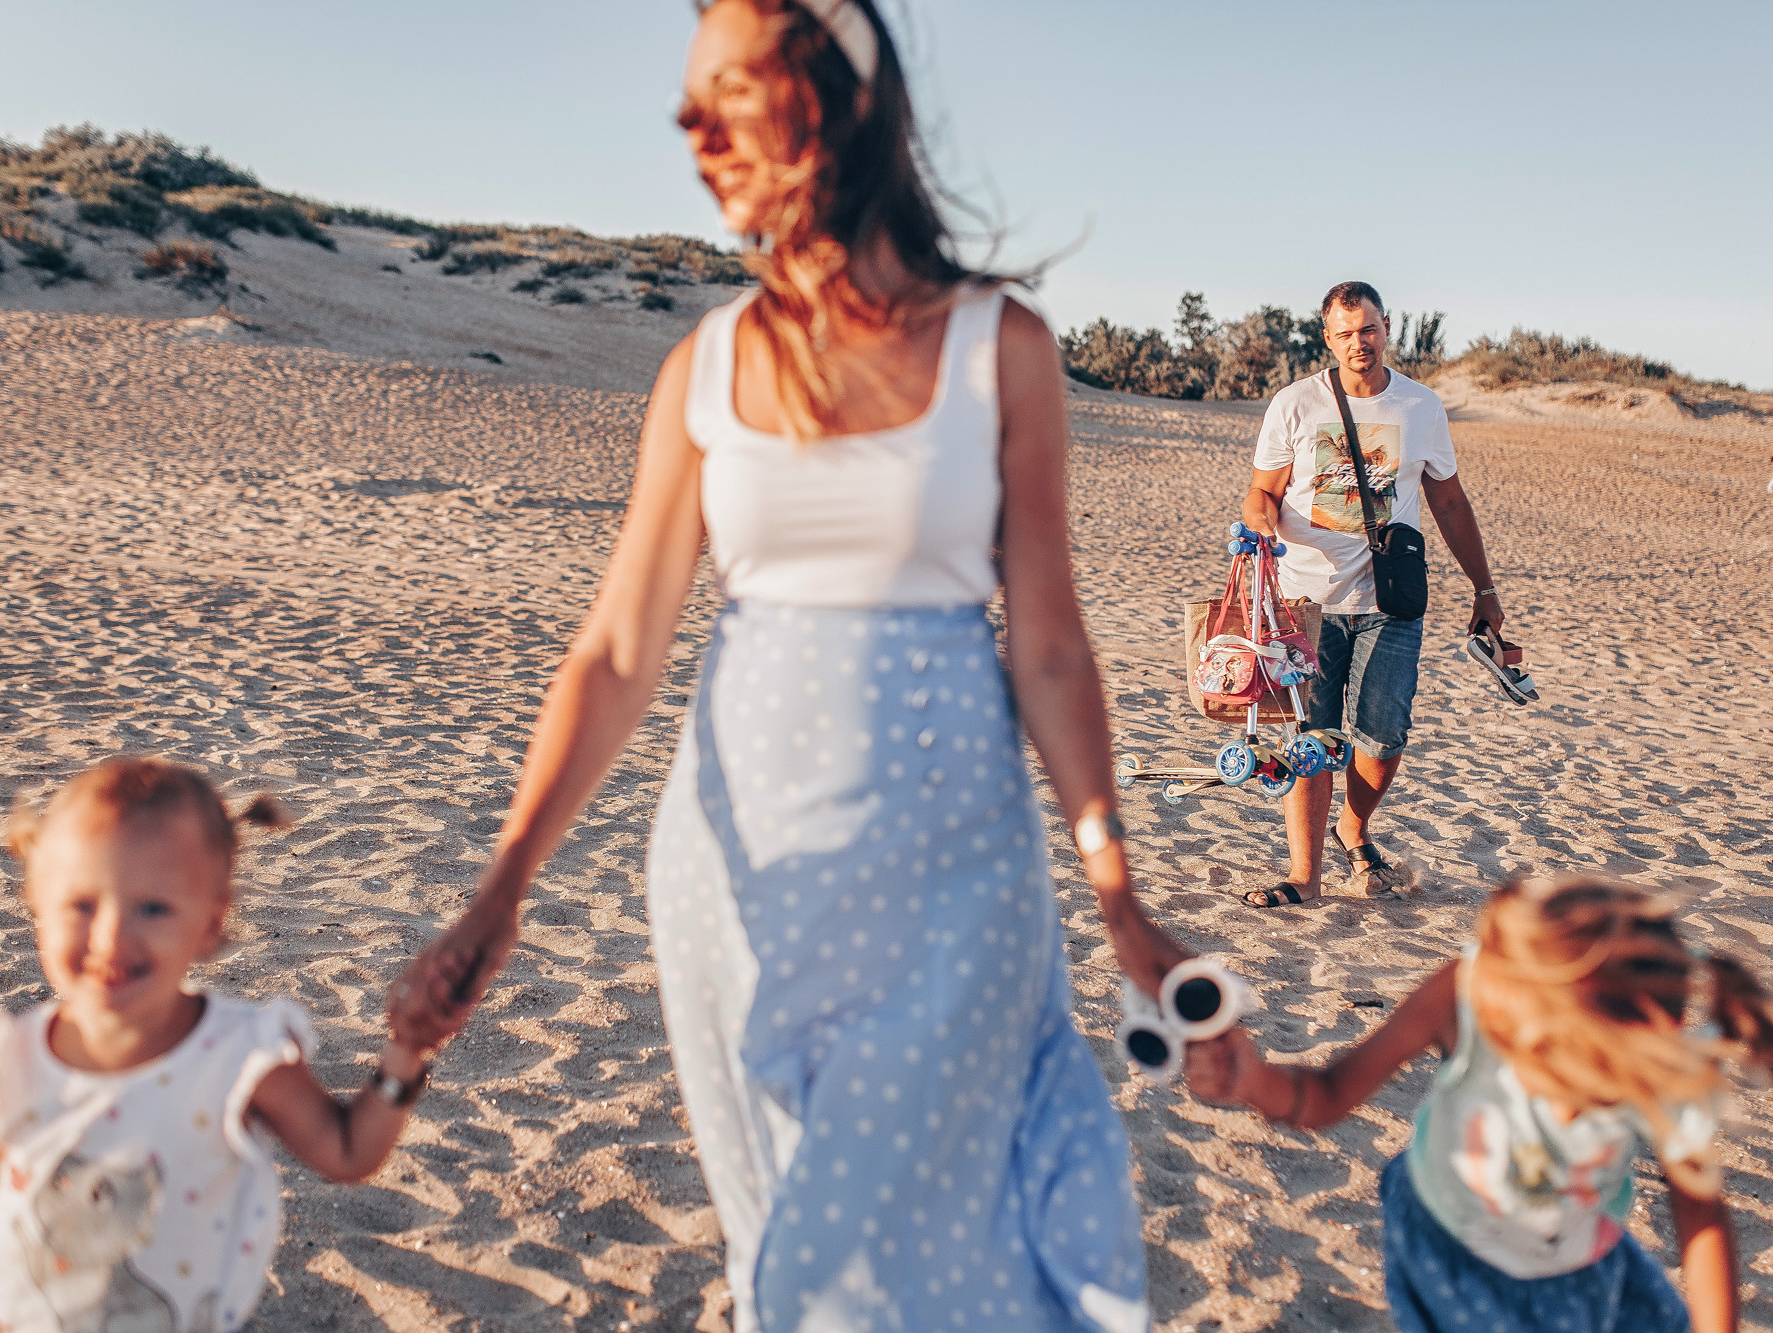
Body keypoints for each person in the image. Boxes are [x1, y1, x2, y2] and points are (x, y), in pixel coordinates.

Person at [386, 3, 1198, 1329]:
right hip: (735, 883)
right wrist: (502, 887)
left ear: (839, 100)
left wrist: (1117, 897)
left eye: (730, 90)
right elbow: (616, 648)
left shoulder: (1005, 350)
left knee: (928, 1251)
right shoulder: (703, 367)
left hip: (953, 872)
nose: (690, 127)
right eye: (684, 103)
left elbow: (1050, 645)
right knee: (798, 1258)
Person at [1185, 876, 1773, 1333]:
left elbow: (1702, 1215)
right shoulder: (1472, 992)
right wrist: (1250, 1080)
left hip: (1583, 1252)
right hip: (1454, 1245)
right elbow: (1328, 1093)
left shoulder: (1656, 1053)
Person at [0, 757, 437, 1333]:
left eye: (153, 908)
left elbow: (347, 1151)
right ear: (37, 902)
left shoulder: (238, 1055)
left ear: (210, 924)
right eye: (83, 904)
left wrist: (404, 1054)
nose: (113, 937)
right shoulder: (10, 1057)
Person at [1238, 282, 1504, 907]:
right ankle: (1304, 875)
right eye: (1345, 333)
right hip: (1305, 600)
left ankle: (1353, 826)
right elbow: (1262, 491)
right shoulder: (1295, 404)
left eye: (1369, 330)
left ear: (1387, 328)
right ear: (1327, 338)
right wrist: (1258, 526)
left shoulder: (1420, 407)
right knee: (1312, 738)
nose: (1359, 343)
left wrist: (1484, 587)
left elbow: (1449, 500)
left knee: (1383, 740)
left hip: (1390, 599)